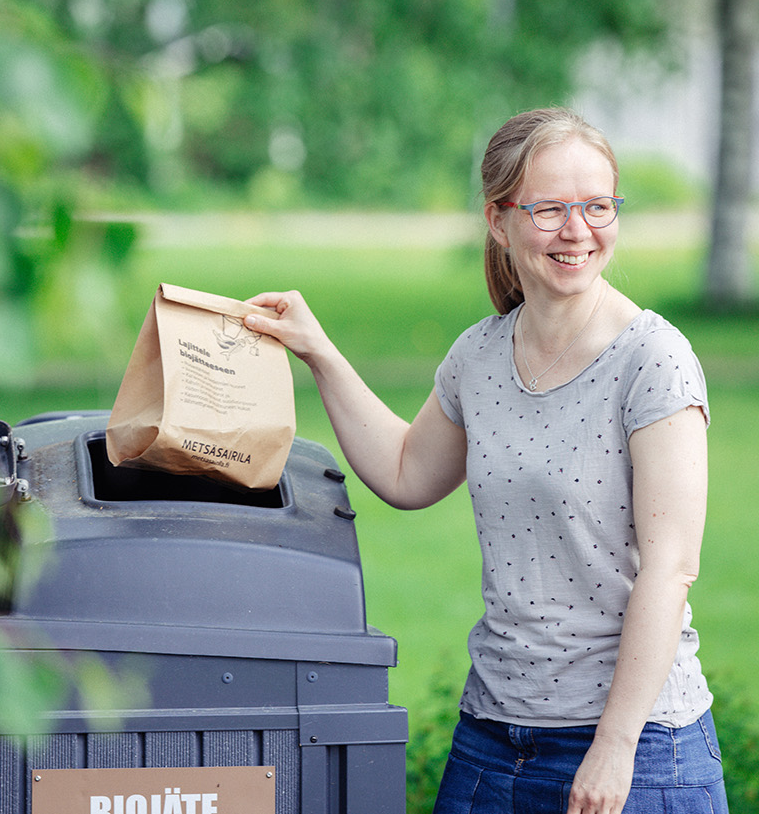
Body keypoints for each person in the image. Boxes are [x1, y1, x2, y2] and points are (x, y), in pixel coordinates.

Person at [244, 107, 727, 814]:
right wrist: (318, 349)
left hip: (638, 743)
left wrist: (615, 745)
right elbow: (408, 472)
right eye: (552, 209)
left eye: (597, 206)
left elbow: (671, 566)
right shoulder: (481, 354)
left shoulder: (652, 360)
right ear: (499, 220)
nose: (578, 230)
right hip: (493, 737)